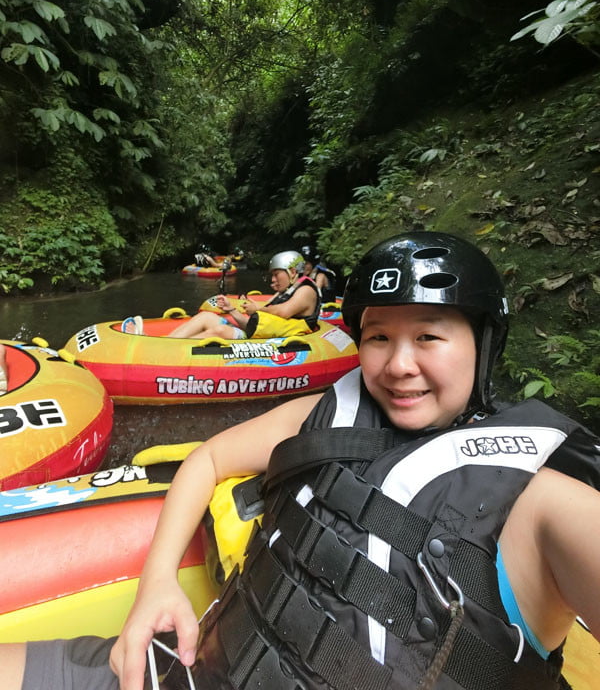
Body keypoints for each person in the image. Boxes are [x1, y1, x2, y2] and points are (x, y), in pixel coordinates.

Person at [4, 230, 600, 690]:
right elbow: (208, 459)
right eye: (378, 337)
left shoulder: (545, 504)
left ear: (483, 343)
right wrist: (156, 584)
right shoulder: (326, 413)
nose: (398, 365)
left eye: (429, 336)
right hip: (186, 668)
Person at [167, 249, 320, 340]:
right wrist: (231, 310)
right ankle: (165, 343)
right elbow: (255, 326)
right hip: (260, 337)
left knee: (220, 331)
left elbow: (283, 312)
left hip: (271, 345)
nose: (273, 280)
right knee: (206, 317)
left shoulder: (306, 291)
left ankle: (172, 352)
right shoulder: (284, 292)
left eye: (276, 274)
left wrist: (257, 309)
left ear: (292, 272)